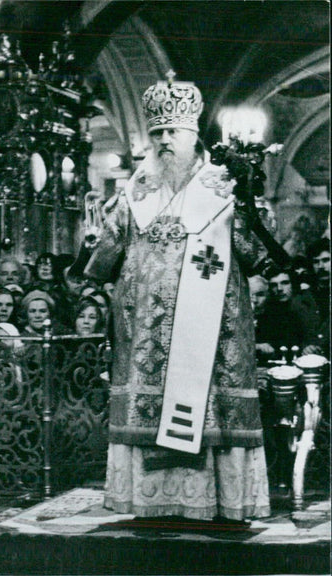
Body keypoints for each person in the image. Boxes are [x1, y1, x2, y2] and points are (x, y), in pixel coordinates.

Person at [83, 73, 271, 522]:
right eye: (158, 133)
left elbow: (258, 254)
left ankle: (218, 503)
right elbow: (104, 255)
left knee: (211, 414)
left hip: (213, 332)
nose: (166, 140)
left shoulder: (225, 188)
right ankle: (153, 504)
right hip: (145, 332)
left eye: (174, 132)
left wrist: (250, 203)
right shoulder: (134, 194)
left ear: (193, 135)